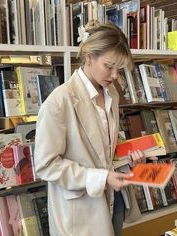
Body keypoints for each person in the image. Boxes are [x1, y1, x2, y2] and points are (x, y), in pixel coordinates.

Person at [34, 21, 144, 236]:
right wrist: (101, 178)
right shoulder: (59, 101)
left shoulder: (110, 93)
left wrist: (128, 158)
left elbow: (102, 148)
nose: (114, 75)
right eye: (108, 66)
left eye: (119, 69)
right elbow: (46, 165)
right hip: (80, 210)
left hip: (114, 200)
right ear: (89, 57)